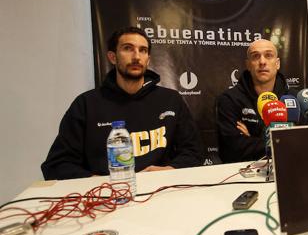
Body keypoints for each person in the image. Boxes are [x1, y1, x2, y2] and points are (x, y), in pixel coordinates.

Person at [41, 27, 206, 180]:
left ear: (148, 59)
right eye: (128, 48)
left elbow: (194, 151)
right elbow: (56, 165)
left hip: (160, 189)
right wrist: (102, 182)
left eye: (143, 50)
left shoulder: (171, 100)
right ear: (112, 57)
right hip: (107, 196)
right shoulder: (86, 104)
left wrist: (169, 170)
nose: (136, 56)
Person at [216, 39, 298, 163]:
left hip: (289, 167)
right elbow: (232, 149)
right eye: (256, 56)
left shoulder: (294, 98)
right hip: (245, 174)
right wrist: (279, 141)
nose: (262, 62)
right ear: (248, 65)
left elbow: (303, 141)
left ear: (277, 63)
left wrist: (253, 139)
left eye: (268, 55)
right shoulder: (229, 100)